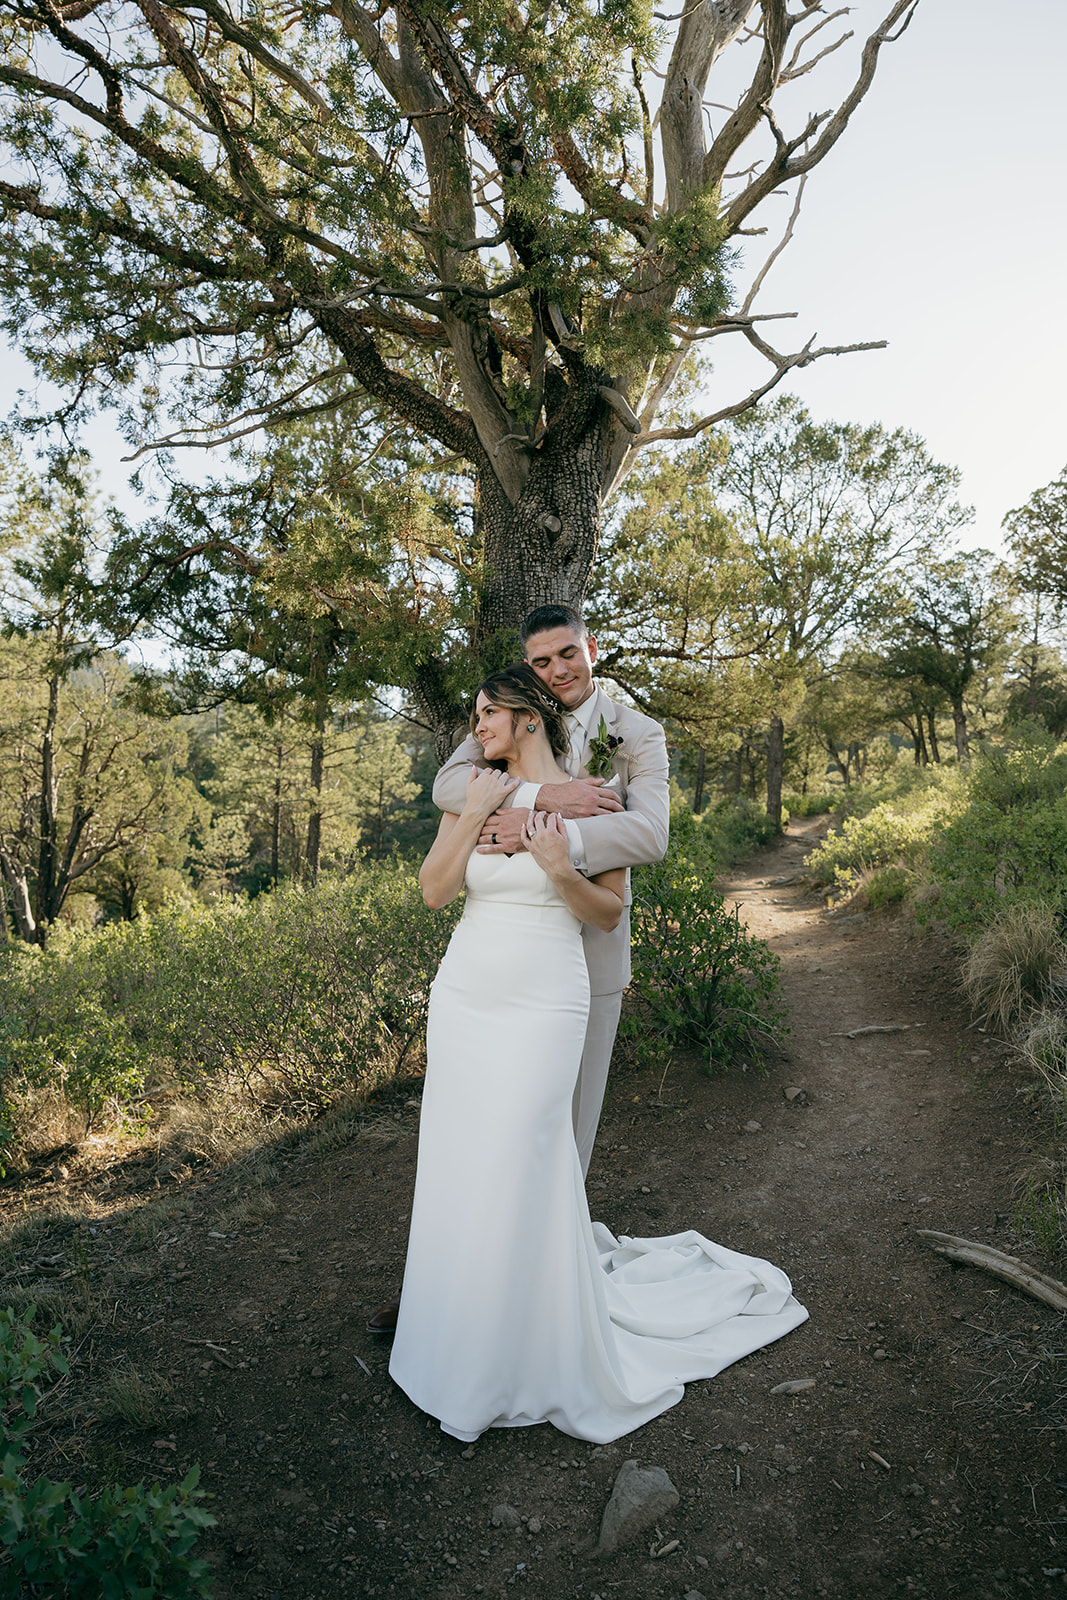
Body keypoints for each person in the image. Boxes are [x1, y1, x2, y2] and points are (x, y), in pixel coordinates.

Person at [387, 664, 807, 1445]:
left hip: (546, 999)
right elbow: (435, 892)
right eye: (474, 714)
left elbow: (607, 916)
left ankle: (532, 1346)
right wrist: (480, 804)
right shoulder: (477, 786)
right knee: (460, 1158)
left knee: (525, 1152)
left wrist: (555, 865)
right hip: (466, 997)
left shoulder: (597, 800)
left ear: (526, 720)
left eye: (486, 715)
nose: (475, 727)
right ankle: (454, 1336)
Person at [432, 604, 669, 1177]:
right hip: (502, 969)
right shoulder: (504, 716)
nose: (558, 670)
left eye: (568, 653)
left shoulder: (634, 734)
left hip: (591, 948)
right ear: (528, 668)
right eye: (542, 661)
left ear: (590, 650)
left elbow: (649, 834)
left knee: (571, 1126)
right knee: (503, 1121)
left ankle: (560, 1245)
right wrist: (540, 800)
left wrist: (552, 841)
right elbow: (447, 788)